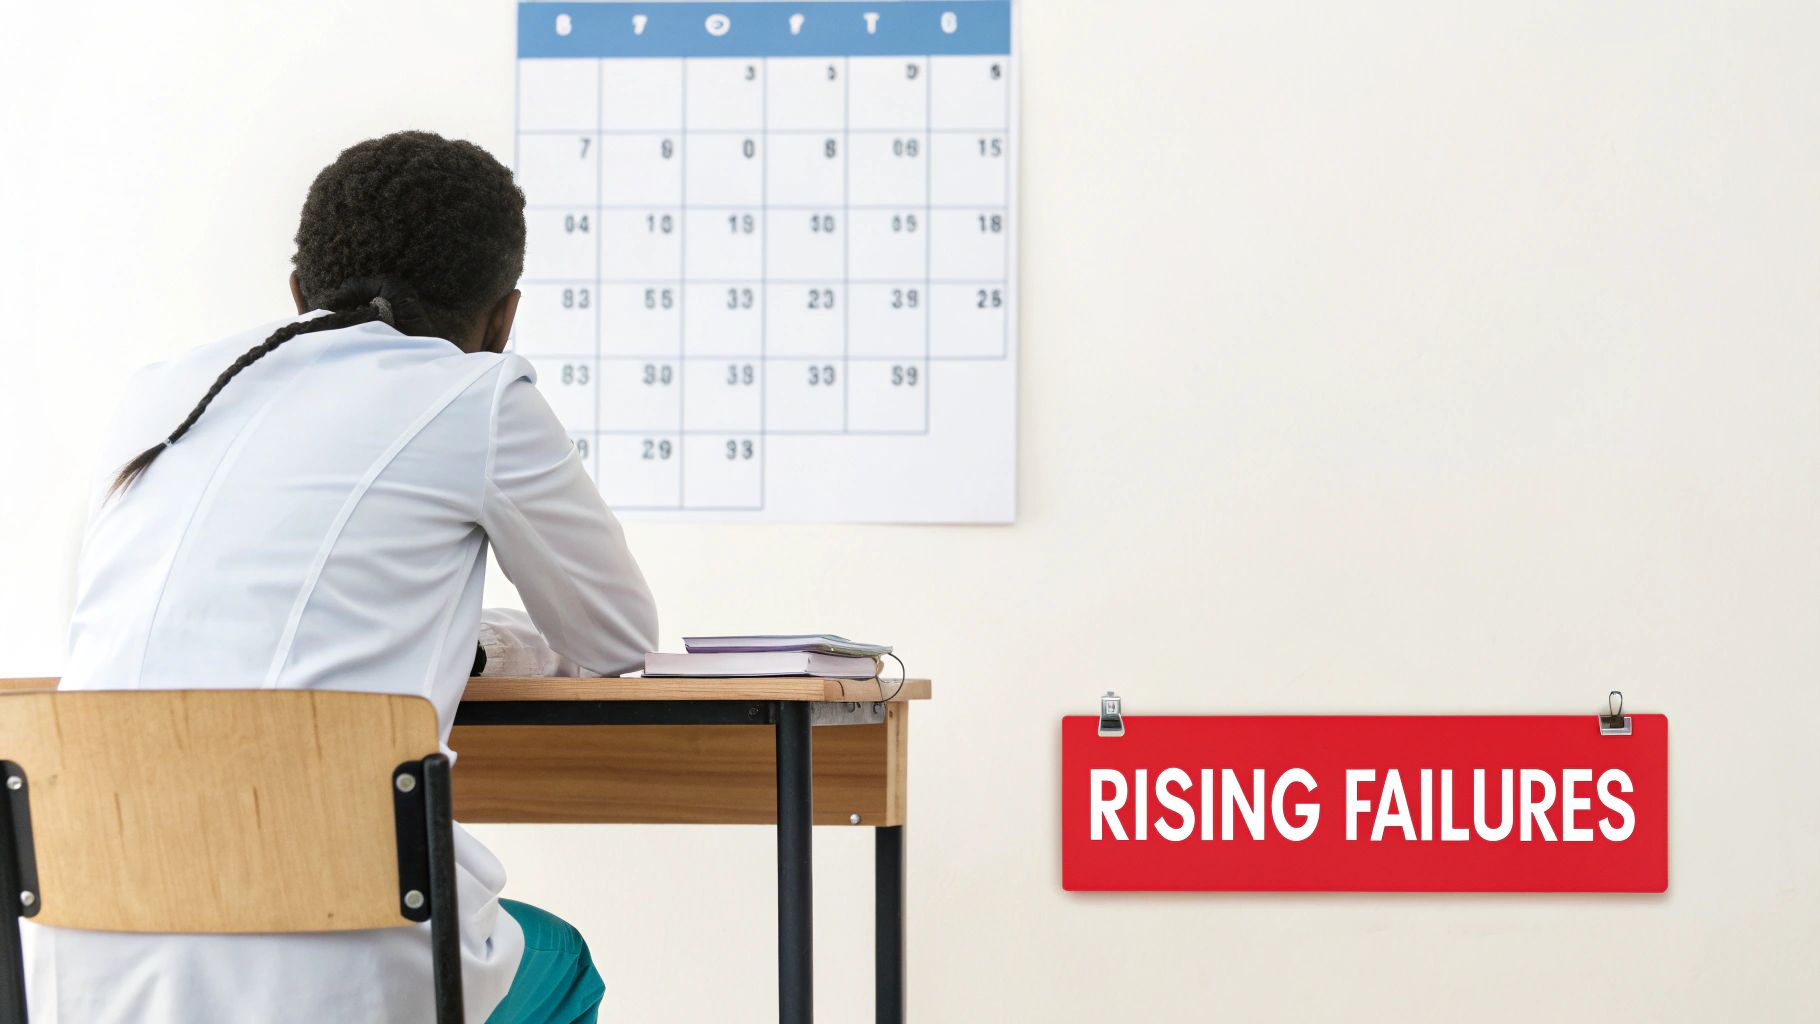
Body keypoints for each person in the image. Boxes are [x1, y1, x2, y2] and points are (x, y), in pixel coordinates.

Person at [32, 131, 655, 1023]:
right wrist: (489, 645)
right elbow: (616, 639)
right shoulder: (476, 396)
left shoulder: (157, 395)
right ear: (504, 316)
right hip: (332, 962)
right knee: (560, 964)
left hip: (78, 950)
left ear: (296, 297)